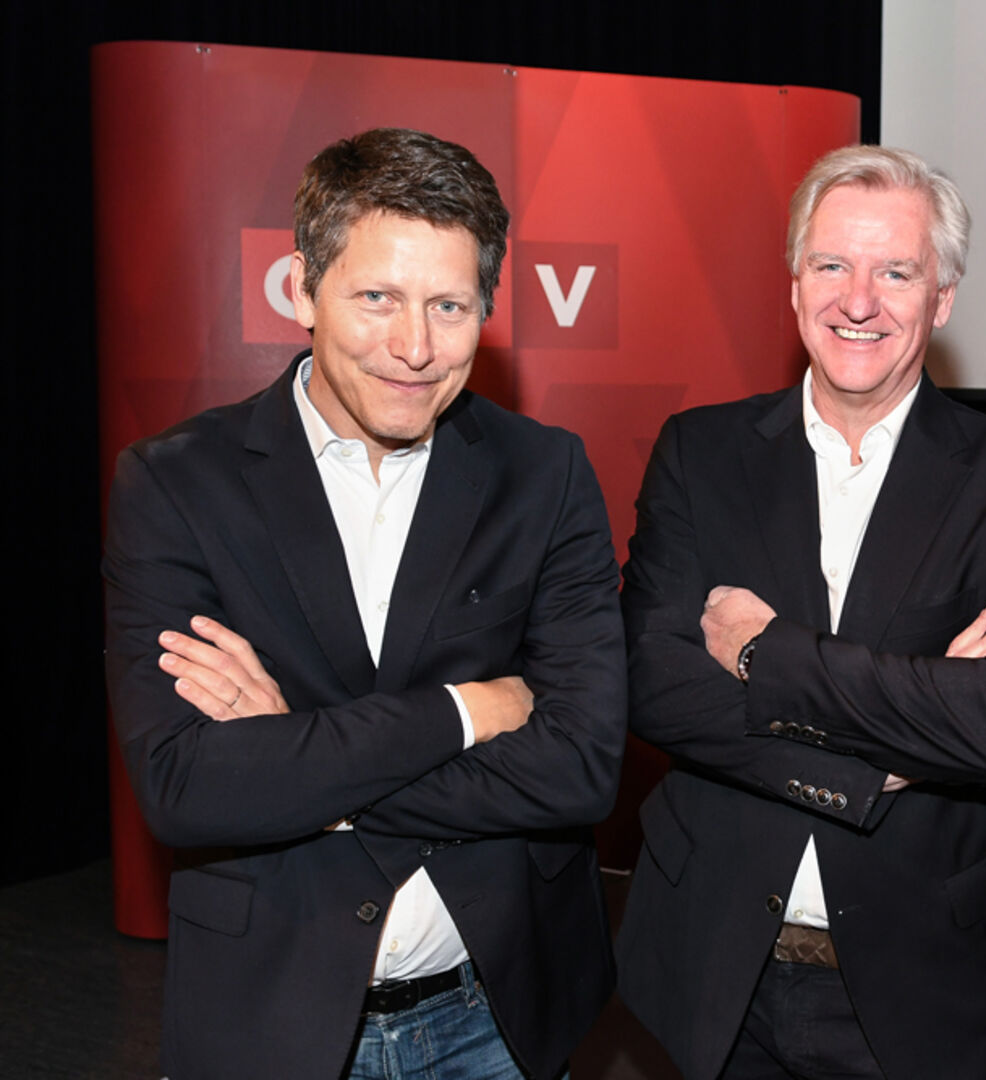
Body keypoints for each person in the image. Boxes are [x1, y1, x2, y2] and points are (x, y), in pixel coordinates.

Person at [103, 127, 626, 1080]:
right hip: (268, 1017)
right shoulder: (176, 483)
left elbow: (581, 769)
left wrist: (297, 755)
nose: (414, 348)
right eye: (377, 298)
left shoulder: (543, 473)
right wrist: (465, 711)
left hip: (499, 1018)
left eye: (448, 306)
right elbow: (185, 786)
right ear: (303, 289)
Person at [615, 144, 986, 1080]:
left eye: (896, 272)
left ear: (941, 299)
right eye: (831, 265)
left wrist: (765, 654)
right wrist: (896, 744)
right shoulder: (700, 451)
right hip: (711, 974)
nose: (857, 301)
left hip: (930, 989)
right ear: (794, 284)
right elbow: (652, 683)